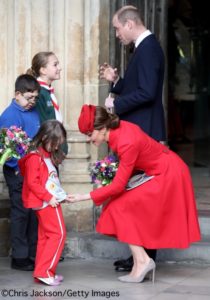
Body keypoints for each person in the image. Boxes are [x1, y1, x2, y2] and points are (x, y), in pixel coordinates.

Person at [68, 104, 201, 283]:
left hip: (169, 174)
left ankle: (143, 261)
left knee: (119, 207)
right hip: (159, 171)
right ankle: (141, 261)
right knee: (117, 206)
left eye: (89, 133)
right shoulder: (117, 132)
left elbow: (118, 186)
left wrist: (83, 197)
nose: (88, 139)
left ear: (102, 129)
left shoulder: (125, 141)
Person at [99, 5, 166, 270]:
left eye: (117, 28)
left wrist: (115, 105)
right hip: (142, 131)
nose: (116, 34)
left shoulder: (148, 48)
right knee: (138, 197)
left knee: (142, 197)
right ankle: (142, 255)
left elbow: (148, 93)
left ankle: (146, 257)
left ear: (129, 24)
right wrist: (116, 82)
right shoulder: (144, 48)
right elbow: (139, 87)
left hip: (145, 132)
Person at [18, 120, 70, 286]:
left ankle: (41, 272)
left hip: (48, 200)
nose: (56, 147)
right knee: (58, 234)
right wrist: (49, 198)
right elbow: (33, 183)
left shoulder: (44, 156)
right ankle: (45, 272)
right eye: (55, 143)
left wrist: (61, 195)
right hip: (46, 202)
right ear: (45, 137)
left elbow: (51, 180)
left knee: (45, 237)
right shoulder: (35, 158)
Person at [0, 74, 41, 271]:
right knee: (20, 213)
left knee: (33, 212)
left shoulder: (32, 111)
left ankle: (33, 253)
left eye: (35, 98)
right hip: (17, 171)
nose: (32, 102)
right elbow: (6, 148)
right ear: (17, 94)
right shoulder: (9, 115)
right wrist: (17, 169)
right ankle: (19, 257)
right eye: (28, 98)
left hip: (33, 170)